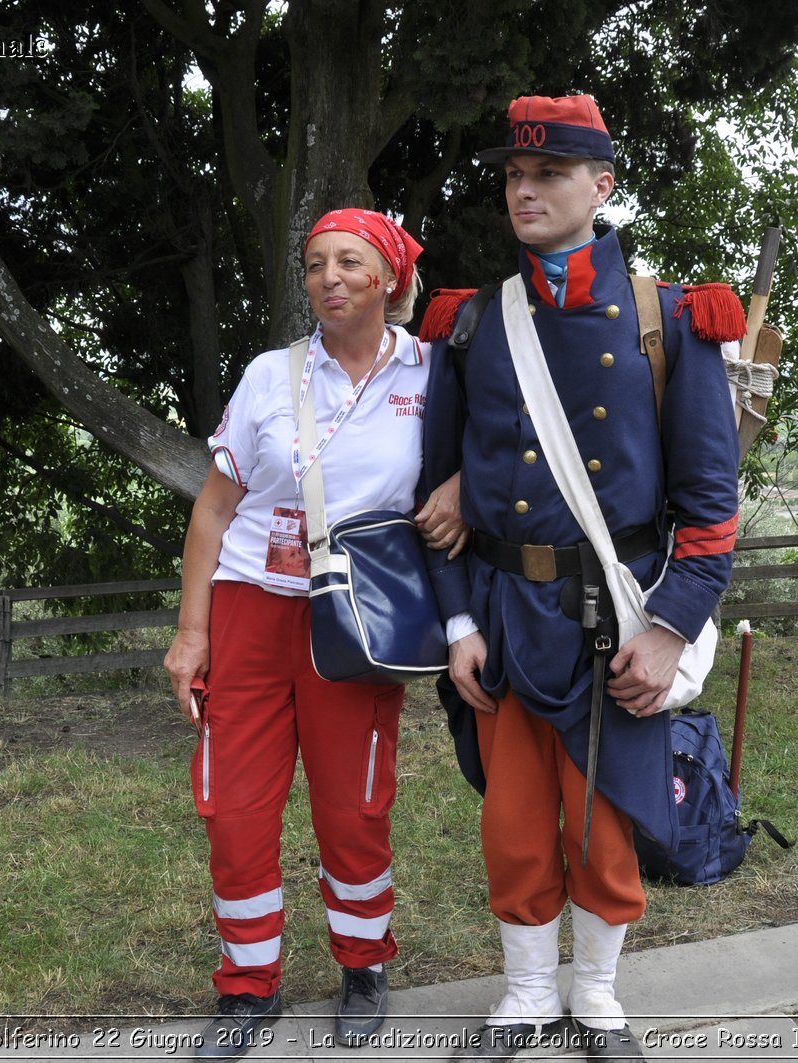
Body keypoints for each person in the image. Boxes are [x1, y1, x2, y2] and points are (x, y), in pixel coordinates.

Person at [418, 95, 745, 1062]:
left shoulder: (670, 318)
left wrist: (671, 629)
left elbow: (711, 507)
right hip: (503, 614)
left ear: (601, 187)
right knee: (515, 822)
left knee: (605, 820)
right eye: (514, 177)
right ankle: (523, 993)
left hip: (617, 618)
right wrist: (454, 628)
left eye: (547, 175)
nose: (524, 191)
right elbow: (435, 504)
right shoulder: (472, 324)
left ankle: (596, 997)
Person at [165, 208, 455, 1060]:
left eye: (349, 261)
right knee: (234, 810)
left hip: (357, 615)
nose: (329, 276)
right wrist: (192, 634)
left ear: (390, 279)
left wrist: (467, 489)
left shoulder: (435, 375)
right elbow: (213, 514)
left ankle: (364, 966)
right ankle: (248, 985)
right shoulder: (267, 376)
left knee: (354, 803)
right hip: (253, 607)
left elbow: (491, 454)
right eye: (315, 262)